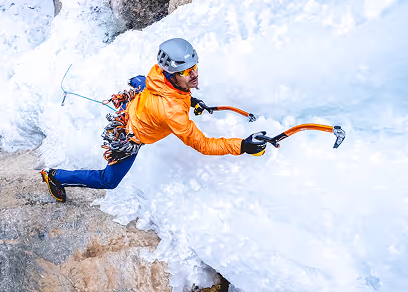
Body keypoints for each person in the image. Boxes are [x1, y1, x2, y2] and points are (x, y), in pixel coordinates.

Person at [41, 38, 266, 202]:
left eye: (194, 67)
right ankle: (54, 176)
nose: (194, 74)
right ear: (173, 74)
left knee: (140, 81)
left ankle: (136, 86)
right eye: (187, 72)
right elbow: (204, 145)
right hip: (129, 136)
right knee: (108, 181)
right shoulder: (172, 113)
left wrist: (191, 100)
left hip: (137, 105)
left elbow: (167, 91)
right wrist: (243, 146)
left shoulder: (158, 74)